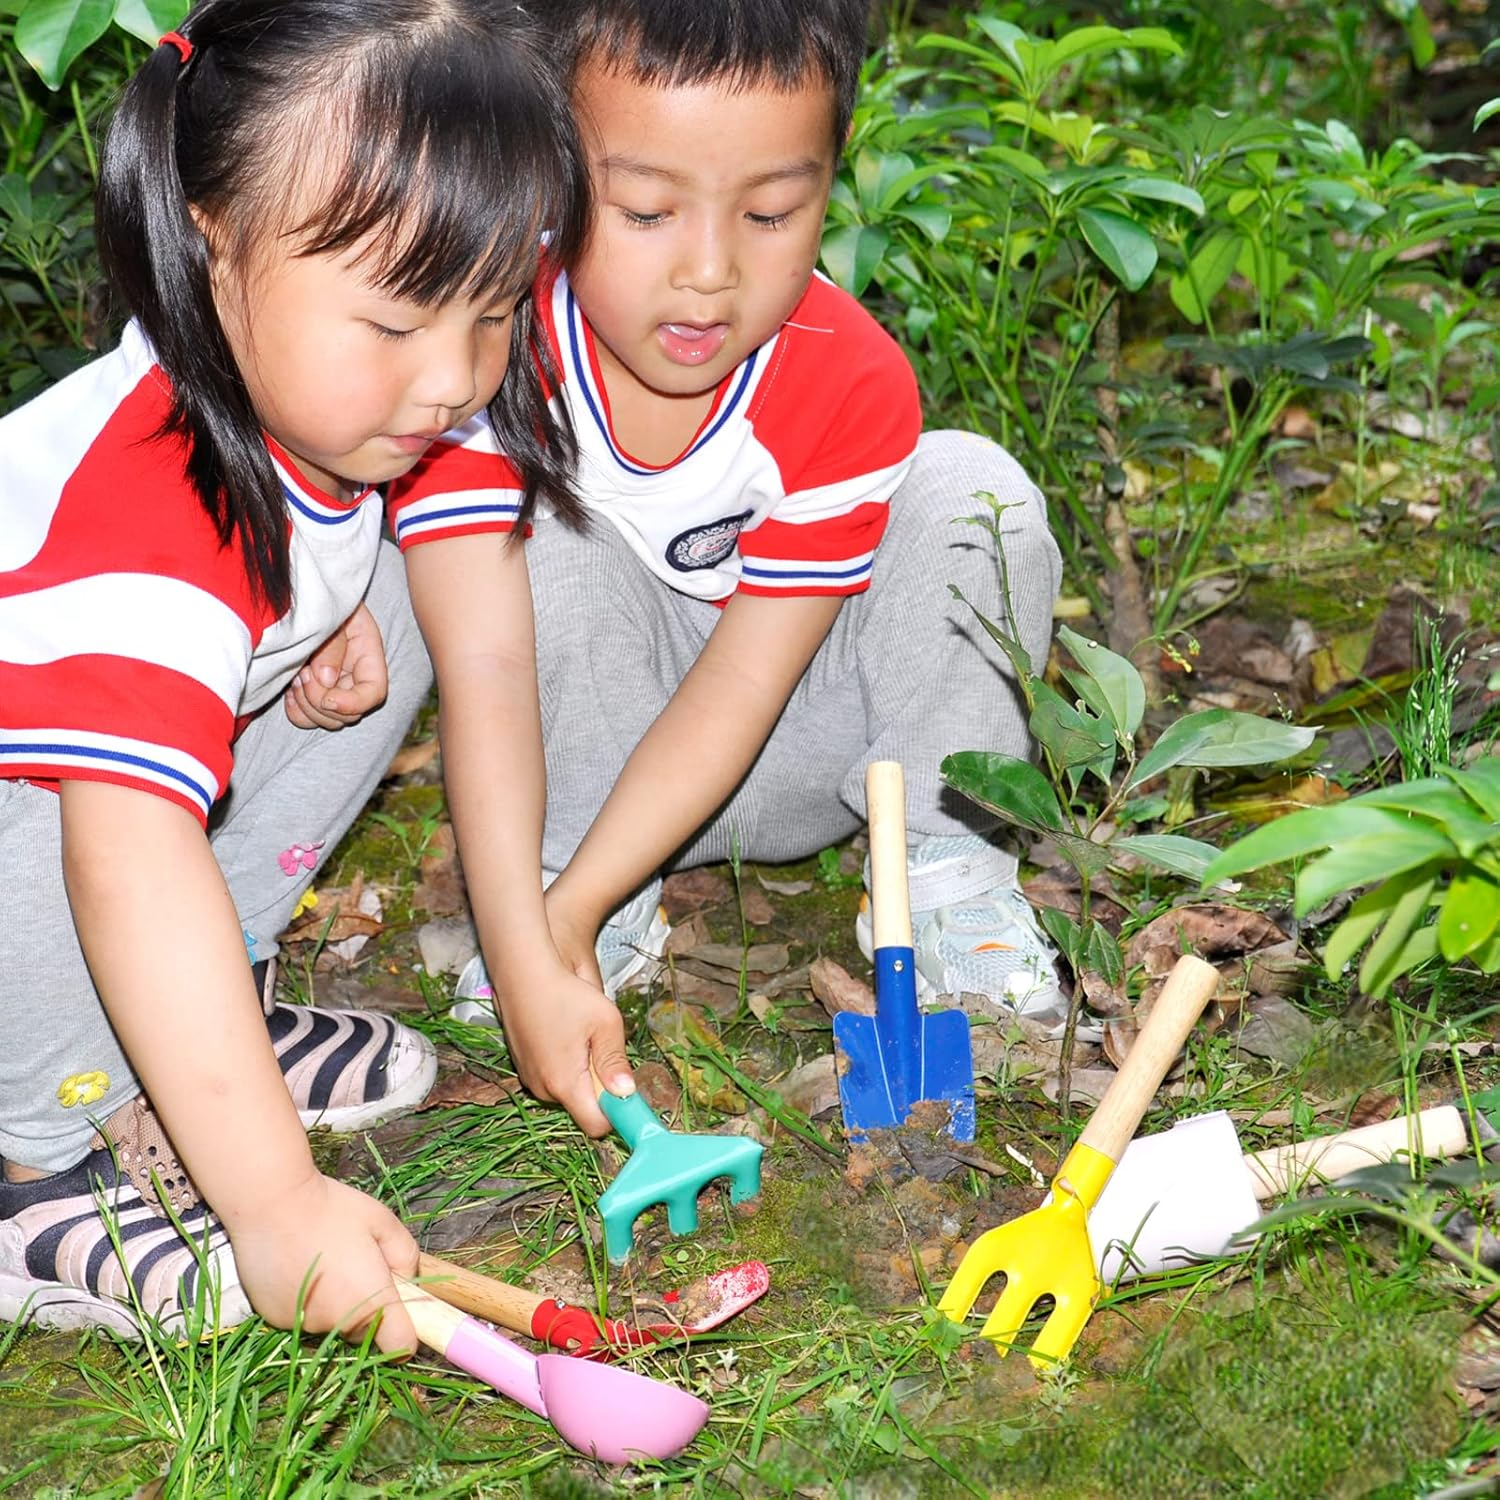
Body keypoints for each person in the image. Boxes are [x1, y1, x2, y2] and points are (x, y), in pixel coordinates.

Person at [0, 0, 586, 1348]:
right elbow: (127, 853)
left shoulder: (325, 425)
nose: (450, 379)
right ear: (211, 238)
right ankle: (43, 1156)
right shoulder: (141, 511)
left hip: (99, 830)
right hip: (47, 837)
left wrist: (307, 616)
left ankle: (213, 1030)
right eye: (391, 323)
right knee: (77, 797)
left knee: (383, 601)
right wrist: (274, 1203)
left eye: (491, 313)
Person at [389, 0, 1063, 1137]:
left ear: (829, 189)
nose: (707, 273)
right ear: (547, 176)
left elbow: (751, 681)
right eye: (646, 210)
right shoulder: (490, 354)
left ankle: (947, 875)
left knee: (973, 490)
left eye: (770, 211)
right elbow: (489, 664)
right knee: (533, 546)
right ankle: (587, 911)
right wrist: (539, 925)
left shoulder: (843, 380)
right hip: (587, 784)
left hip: (813, 752)